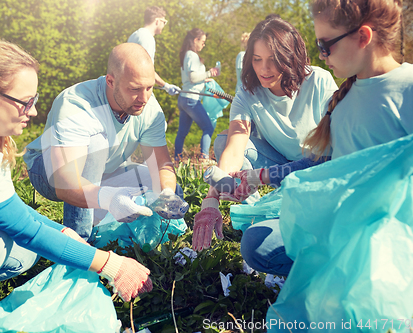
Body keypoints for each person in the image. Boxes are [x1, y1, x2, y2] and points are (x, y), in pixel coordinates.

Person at [0, 41, 153, 333]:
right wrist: (109, 264)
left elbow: (14, 209)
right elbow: (23, 227)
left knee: (23, 253)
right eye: (25, 102)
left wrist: (63, 232)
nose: (35, 111)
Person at [238, 0, 411, 277]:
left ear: (363, 37)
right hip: (341, 223)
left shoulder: (407, 89)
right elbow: (322, 164)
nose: (320, 56)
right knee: (257, 243)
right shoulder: (341, 102)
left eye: (325, 45)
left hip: (389, 231)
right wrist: (260, 177)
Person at [192, 18, 338, 252]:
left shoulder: (318, 81)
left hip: (315, 164)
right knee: (221, 141)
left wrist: (265, 175)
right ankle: (255, 213)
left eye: (273, 60)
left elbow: (331, 152)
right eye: (257, 60)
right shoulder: (247, 93)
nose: (263, 69)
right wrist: (211, 198)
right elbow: (235, 147)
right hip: (277, 158)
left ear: (289, 57)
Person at [23, 43, 186, 240]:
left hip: (103, 170)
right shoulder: (77, 103)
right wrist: (109, 198)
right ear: (110, 81)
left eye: (149, 88)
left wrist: (166, 193)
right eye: (134, 89)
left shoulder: (149, 109)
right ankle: (79, 242)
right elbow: (65, 181)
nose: (144, 98)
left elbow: (161, 165)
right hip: (49, 172)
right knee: (98, 144)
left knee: (164, 184)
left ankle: (139, 236)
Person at [174, 28, 220, 162]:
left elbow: (191, 78)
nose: (203, 45)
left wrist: (205, 79)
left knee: (182, 132)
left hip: (184, 98)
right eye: (203, 42)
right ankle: (204, 157)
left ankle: (177, 159)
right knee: (208, 127)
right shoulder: (192, 55)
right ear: (196, 40)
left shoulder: (186, 55)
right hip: (191, 99)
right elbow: (193, 78)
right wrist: (209, 73)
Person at [127, 6, 180, 95]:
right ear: (157, 21)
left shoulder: (135, 35)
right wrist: (166, 86)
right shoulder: (147, 38)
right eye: (164, 22)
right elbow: (147, 70)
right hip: (140, 91)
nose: (164, 25)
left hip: (132, 89)